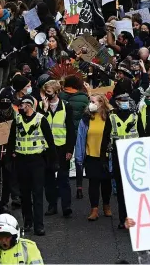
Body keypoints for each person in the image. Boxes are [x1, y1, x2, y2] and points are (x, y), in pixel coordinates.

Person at [6, 96, 56, 236]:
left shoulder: (41, 120)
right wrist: (9, 160)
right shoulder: (17, 120)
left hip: (37, 161)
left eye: (21, 105)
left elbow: (50, 142)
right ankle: (28, 221)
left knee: (38, 194)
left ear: (28, 105)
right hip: (21, 161)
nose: (19, 108)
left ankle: (39, 225)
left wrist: (53, 162)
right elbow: (11, 141)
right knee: (25, 194)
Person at [101, 92, 138, 229]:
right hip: (117, 157)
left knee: (134, 190)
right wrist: (103, 158)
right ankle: (123, 219)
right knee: (121, 191)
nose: (125, 102)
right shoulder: (112, 118)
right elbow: (105, 139)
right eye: (122, 100)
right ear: (117, 102)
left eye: (127, 100)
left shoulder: (135, 117)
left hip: (134, 158)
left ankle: (135, 218)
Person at [39, 80, 74, 219]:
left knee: (63, 178)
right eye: (45, 92)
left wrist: (69, 149)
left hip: (61, 147)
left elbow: (71, 130)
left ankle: (66, 207)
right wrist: (44, 109)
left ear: (56, 92)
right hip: (46, 148)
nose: (46, 95)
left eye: (48, 92)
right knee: (48, 180)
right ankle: (52, 205)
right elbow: (38, 124)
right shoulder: (41, 107)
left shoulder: (66, 106)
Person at [75, 93, 113, 221]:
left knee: (106, 182)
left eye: (93, 101)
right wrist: (79, 157)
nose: (91, 104)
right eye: (90, 101)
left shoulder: (109, 117)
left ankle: (106, 206)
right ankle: (94, 209)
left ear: (101, 103)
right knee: (93, 183)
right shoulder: (86, 119)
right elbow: (80, 138)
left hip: (106, 156)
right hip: (91, 155)